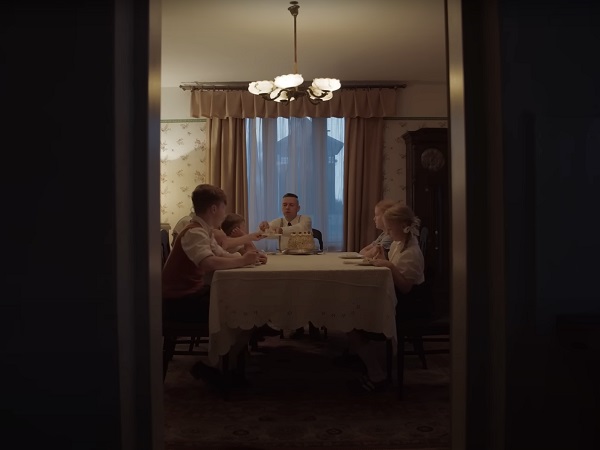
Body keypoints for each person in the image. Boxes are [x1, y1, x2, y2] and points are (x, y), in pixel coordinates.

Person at [162, 184, 267, 388]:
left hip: (189, 295)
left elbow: (222, 254)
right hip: (179, 303)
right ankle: (219, 367)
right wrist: (242, 260)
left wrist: (251, 258)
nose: (224, 214)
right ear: (213, 209)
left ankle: (226, 364)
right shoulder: (194, 232)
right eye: (223, 208)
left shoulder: (204, 231)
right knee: (244, 310)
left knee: (244, 304)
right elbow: (208, 263)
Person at [348, 204, 425, 393]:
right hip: (398, 298)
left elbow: (405, 287)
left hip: (407, 305)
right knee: (352, 311)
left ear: (403, 226)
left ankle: (376, 373)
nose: (387, 233)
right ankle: (366, 360)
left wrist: (389, 266)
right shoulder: (399, 244)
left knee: (350, 319)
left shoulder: (411, 252)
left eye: (390, 229)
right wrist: (384, 258)